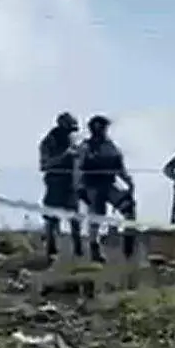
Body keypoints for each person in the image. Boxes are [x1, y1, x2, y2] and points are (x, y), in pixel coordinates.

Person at [76, 115, 136, 263]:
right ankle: (94, 250)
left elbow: (119, 167)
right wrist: (79, 187)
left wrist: (129, 182)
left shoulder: (110, 146)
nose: (102, 130)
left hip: (109, 185)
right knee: (96, 217)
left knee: (129, 209)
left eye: (103, 127)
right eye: (100, 127)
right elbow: (77, 169)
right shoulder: (85, 147)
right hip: (92, 186)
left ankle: (129, 248)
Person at [38, 112, 83, 261]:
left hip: (71, 184)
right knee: (52, 218)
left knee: (75, 219)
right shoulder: (48, 141)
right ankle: (51, 250)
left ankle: (78, 252)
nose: (71, 132)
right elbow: (44, 165)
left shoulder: (73, 140)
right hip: (55, 182)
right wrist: (64, 156)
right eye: (69, 129)